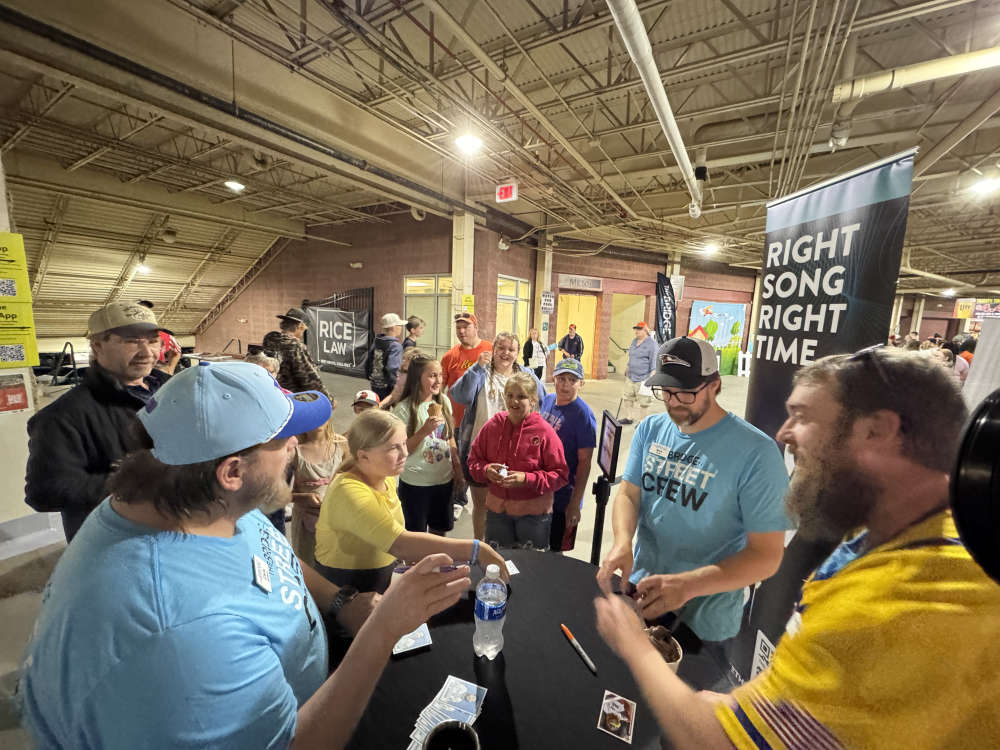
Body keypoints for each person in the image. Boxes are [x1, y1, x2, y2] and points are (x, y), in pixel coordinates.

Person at [17, 360, 472, 749]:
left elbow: (274, 556)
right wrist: (382, 629)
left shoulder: (193, 502)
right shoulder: (181, 629)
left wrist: (341, 602)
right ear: (232, 470)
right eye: (283, 439)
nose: (296, 445)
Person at [594, 347, 1000, 750]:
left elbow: (713, 741)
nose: (783, 433)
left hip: (701, 636)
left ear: (877, 431)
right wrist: (745, 711)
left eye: (803, 416)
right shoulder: (910, 542)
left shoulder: (889, 608)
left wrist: (634, 646)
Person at [596, 336, 791, 686]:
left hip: (705, 624)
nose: (673, 402)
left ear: (714, 385)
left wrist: (687, 586)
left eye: (685, 393)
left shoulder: (757, 454)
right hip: (642, 596)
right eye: (666, 391)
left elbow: (767, 556)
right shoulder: (651, 429)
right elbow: (629, 493)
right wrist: (623, 541)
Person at [313, 409, 508, 593]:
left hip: (379, 574)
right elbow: (401, 544)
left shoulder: (384, 475)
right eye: (393, 448)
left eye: (404, 444)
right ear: (363, 456)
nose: (405, 453)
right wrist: (476, 550)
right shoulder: (349, 492)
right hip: (348, 586)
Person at [24, 301, 172, 542]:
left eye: (153, 341)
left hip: (175, 527)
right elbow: (44, 491)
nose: (147, 352)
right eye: (131, 341)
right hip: (119, 540)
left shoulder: (171, 389)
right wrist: (137, 483)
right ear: (98, 346)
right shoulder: (62, 416)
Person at [450, 331, 545, 540]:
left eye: (511, 349)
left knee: (509, 506)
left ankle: (503, 549)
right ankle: (480, 547)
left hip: (516, 455)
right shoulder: (481, 372)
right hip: (482, 451)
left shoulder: (526, 375)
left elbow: (542, 402)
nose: (506, 353)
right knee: (482, 506)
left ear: (518, 353)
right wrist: (476, 368)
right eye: (501, 348)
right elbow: (459, 395)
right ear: (492, 350)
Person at [468, 373, 569, 549]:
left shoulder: (544, 432)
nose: (514, 401)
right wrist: (486, 470)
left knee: (531, 563)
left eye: (521, 396)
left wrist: (527, 479)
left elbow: (560, 475)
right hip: (497, 512)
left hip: (534, 516)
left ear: (533, 400)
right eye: (510, 395)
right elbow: (473, 461)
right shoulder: (492, 427)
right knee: (499, 560)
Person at [392, 354, 463, 535]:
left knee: (439, 532)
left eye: (440, 375)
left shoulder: (444, 401)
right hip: (416, 483)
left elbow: (449, 437)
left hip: (443, 480)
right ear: (417, 378)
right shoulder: (404, 409)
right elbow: (403, 450)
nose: (438, 380)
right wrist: (424, 430)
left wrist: (457, 466)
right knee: (416, 536)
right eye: (432, 375)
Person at [539, 358, 597, 552]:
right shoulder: (547, 401)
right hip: (541, 489)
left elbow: (585, 462)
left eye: (572, 380)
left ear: (581, 384)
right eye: (561, 378)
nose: (565, 385)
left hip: (563, 496)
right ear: (554, 378)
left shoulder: (583, 416)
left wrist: (574, 503)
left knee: (555, 550)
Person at [290, 417, 346, 567]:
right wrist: (304, 498)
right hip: (306, 527)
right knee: (309, 567)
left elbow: (353, 480)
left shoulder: (341, 445)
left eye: (321, 413)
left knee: (335, 567)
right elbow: (276, 494)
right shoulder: (294, 451)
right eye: (312, 414)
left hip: (336, 522)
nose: (318, 419)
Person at [262, 307, 335, 405]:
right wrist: (329, 400)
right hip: (291, 399)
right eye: (303, 329)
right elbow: (309, 378)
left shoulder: (270, 339)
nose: (302, 333)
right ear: (299, 326)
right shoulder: (295, 346)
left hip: (270, 394)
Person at [440, 312, 492, 428]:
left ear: (476, 327)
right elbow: (439, 388)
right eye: (458, 328)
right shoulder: (449, 356)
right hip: (457, 422)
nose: (461, 331)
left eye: (466, 327)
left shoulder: (491, 350)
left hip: (485, 421)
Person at [620, 321, 659, 425]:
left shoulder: (652, 344)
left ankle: (642, 422)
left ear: (645, 331)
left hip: (644, 378)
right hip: (631, 376)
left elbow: (654, 362)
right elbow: (631, 356)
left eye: (639, 329)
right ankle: (629, 418)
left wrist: (651, 378)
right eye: (636, 329)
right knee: (627, 398)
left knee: (644, 402)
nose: (636, 331)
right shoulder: (634, 341)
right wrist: (628, 367)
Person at [367, 312, 405, 400]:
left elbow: (369, 360)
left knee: (378, 404)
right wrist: (396, 385)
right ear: (393, 327)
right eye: (399, 325)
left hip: (375, 383)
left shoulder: (376, 342)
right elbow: (393, 368)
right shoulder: (395, 346)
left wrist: (370, 376)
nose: (401, 328)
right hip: (388, 386)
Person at [379, 347, 425, 411]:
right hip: (398, 409)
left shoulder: (420, 378)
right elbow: (393, 395)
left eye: (408, 359)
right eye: (403, 358)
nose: (404, 361)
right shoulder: (401, 374)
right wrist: (379, 405)